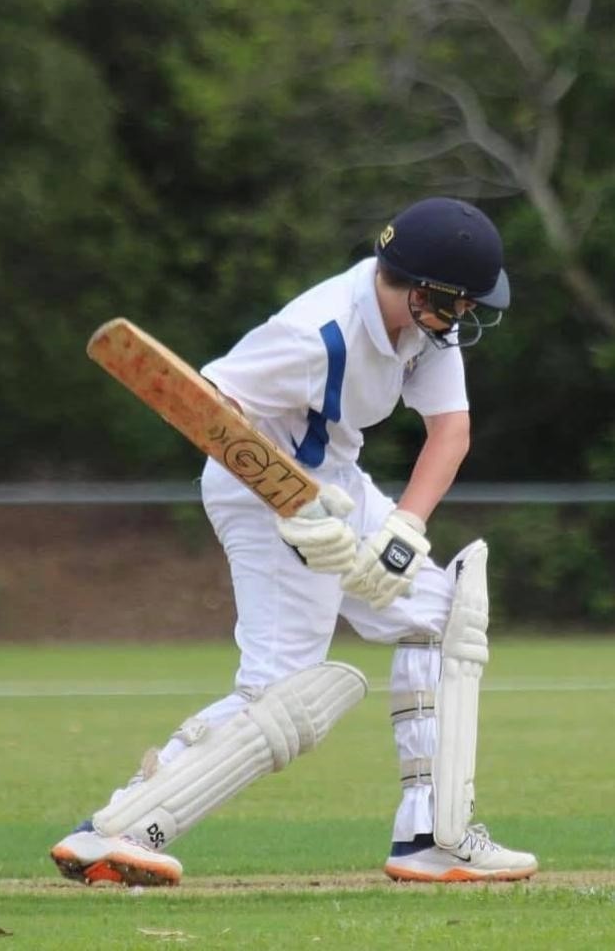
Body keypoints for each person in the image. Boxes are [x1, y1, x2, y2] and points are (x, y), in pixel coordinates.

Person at [51, 196, 538, 886]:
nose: (464, 319)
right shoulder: (319, 331)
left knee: (442, 614)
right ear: (424, 291)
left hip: (337, 483)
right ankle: (118, 827)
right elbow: (213, 406)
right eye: (458, 304)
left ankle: (431, 835)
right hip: (257, 493)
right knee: (282, 691)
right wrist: (292, 508)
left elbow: (449, 431)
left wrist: (403, 529)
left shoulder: (428, 331)